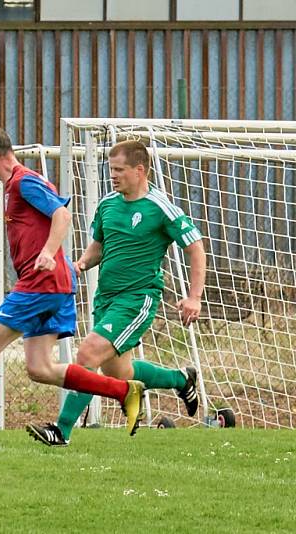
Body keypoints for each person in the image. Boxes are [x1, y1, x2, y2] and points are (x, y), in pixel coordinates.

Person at [0, 125, 146, 448]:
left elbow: (62, 214)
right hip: (54, 286)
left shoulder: (24, 180)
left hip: (41, 283)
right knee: (40, 368)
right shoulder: (15, 185)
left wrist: (46, 252)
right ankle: (125, 391)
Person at [28, 139, 206, 447]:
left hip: (137, 299)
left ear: (140, 170)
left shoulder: (160, 208)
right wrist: (81, 263)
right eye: (111, 169)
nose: (113, 175)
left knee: (87, 354)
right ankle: (181, 379)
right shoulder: (108, 204)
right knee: (118, 372)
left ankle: (62, 430)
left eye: (119, 170)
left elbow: (196, 248)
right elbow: (99, 245)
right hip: (106, 299)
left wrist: (194, 296)